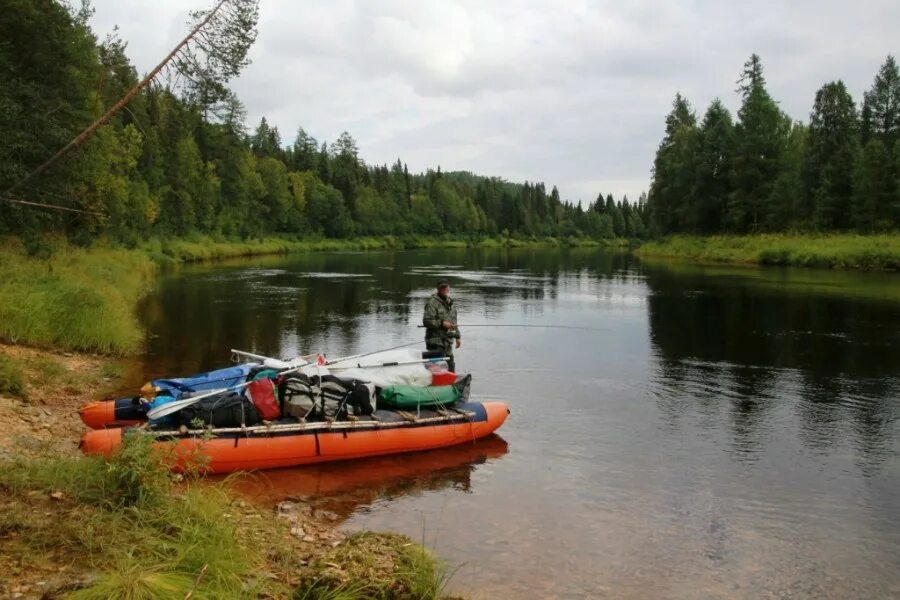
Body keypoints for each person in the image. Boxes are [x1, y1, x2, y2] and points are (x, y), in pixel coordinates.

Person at [422, 280, 461, 373]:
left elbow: (454, 322)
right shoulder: (432, 303)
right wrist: (442, 323)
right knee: (436, 370)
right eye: (442, 287)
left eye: (445, 287)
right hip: (435, 343)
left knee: (450, 368)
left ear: (449, 288)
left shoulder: (451, 303)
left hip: (448, 343)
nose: (444, 289)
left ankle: (450, 381)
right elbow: (426, 321)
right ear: (438, 289)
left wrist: (458, 337)